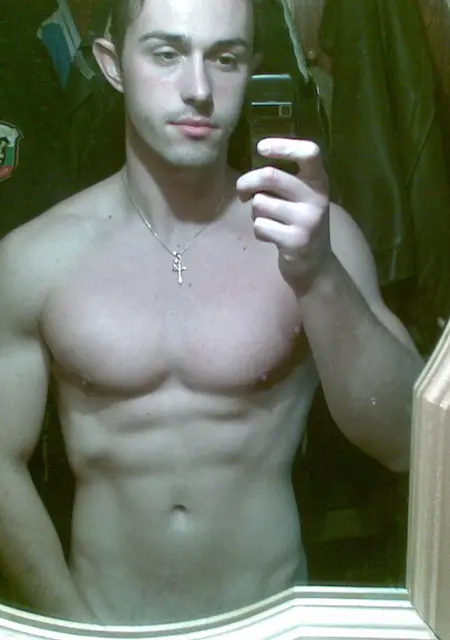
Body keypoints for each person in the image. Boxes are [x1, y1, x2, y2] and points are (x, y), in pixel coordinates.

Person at [0, 0, 424, 626]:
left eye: (225, 58)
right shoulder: (36, 258)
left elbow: (408, 444)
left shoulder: (319, 238)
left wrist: (318, 275)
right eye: (166, 53)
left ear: (251, 67)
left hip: (273, 622)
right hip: (102, 621)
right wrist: (71, 624)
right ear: (113, 65)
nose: (198, 89)